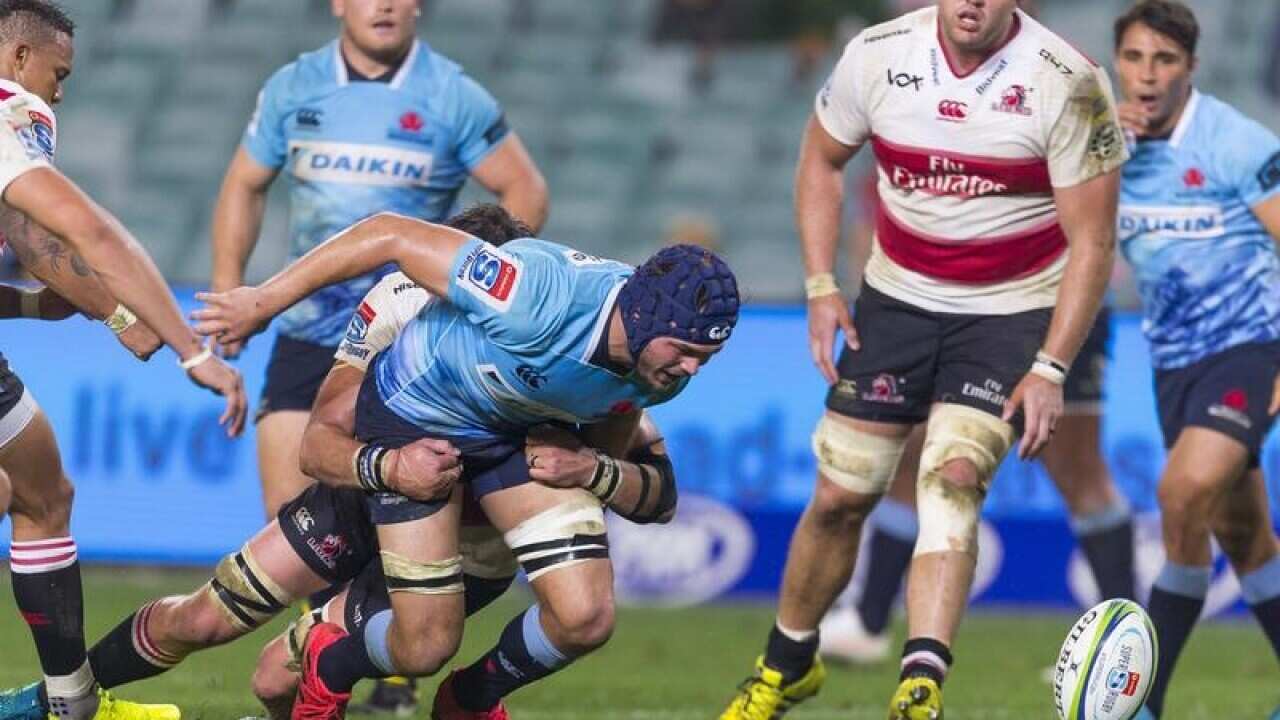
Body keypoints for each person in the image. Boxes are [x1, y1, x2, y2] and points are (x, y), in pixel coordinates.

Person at [717, 0, 1126, 717]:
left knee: (955, 475)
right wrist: (819, 286)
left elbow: (1091, 241)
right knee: (842, 495)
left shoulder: (1072, 82)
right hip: (897, 303)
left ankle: (920, 684)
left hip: (1010, 312)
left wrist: (1051, 368)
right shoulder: (876, 55)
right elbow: (820, 159)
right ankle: (785, 667)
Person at [192, 215, 737, 720]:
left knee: (587, 617)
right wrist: (263, 301)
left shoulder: (656, 371)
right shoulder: (531, 293)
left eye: (705, 358)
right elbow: (389, 233)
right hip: (415, 426)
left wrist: (594, 469)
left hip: (504, 440)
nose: (691, 368)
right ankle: (327, 659)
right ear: (644, 319)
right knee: (416, 647)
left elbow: (647, 491)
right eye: (684, 350)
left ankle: (469, 699)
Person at [209, 0, 546, 707]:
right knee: (294, 516)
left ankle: (389, 667)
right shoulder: (294, 87)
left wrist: (481, 289)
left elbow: (525, 191)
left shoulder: (452, 94)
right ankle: (330, 665)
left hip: (407, 344)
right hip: (309, 334)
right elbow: (243, 183)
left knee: (405, 503)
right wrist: (229, 289)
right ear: (339, 4)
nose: (385, 4)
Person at [819, 1, 1132, 663]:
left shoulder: (1055, 77)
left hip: (1047, 302)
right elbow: (854, 197)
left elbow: (1092, 233)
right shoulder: (893, 66)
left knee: (1076, 469)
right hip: (936, 304)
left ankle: (1123, 638)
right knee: (915, 453)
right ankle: (871, 620)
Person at [0, 2, 247, 720]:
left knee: (43, 493)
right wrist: (189, 348)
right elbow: (89, 237)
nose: (60, 93)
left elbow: (26, 242)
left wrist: (33, 307)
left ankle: (70, 706)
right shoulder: (13, 110)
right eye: (58, 73)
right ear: (19, 60)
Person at [1104, 3, 1280, 718]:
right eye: (1136, 59)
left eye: (1165, 61)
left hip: (1250, 350)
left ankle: (1141, 702)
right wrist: (1094, 164)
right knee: (1244, 538)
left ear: (1191, 69)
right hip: (1173, 366)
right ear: (1117, 63)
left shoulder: (1236, 143)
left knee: (1180, 496)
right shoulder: (1100, 146)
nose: (1148, 77)